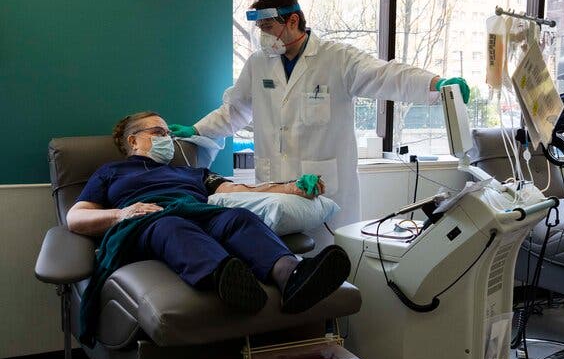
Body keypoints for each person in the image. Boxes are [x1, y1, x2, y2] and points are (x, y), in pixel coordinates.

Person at [169, 0, 470, 247]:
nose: (263, 37)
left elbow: (385, 75)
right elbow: (234, 111)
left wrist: (436, 85)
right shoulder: (259, 63)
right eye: (260, 30)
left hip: (325, 193)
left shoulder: (336, 59)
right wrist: (197, 130)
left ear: (293, 21)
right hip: (275, 188)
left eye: (269, 28)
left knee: (328, 266)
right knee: (282, 264)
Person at [68, 111, 351, 345]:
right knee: (172, 225)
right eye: (159, 133)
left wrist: (293, 187)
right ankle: (226, 279)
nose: (169, 139)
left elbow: (238, 189)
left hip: (198, 212)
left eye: (169, 134)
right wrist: (121, 213)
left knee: (237, 217)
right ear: (133, 141)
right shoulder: (111, 172)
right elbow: (76, 217)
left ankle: (292, 277)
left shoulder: (192, 172)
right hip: (149, 220)